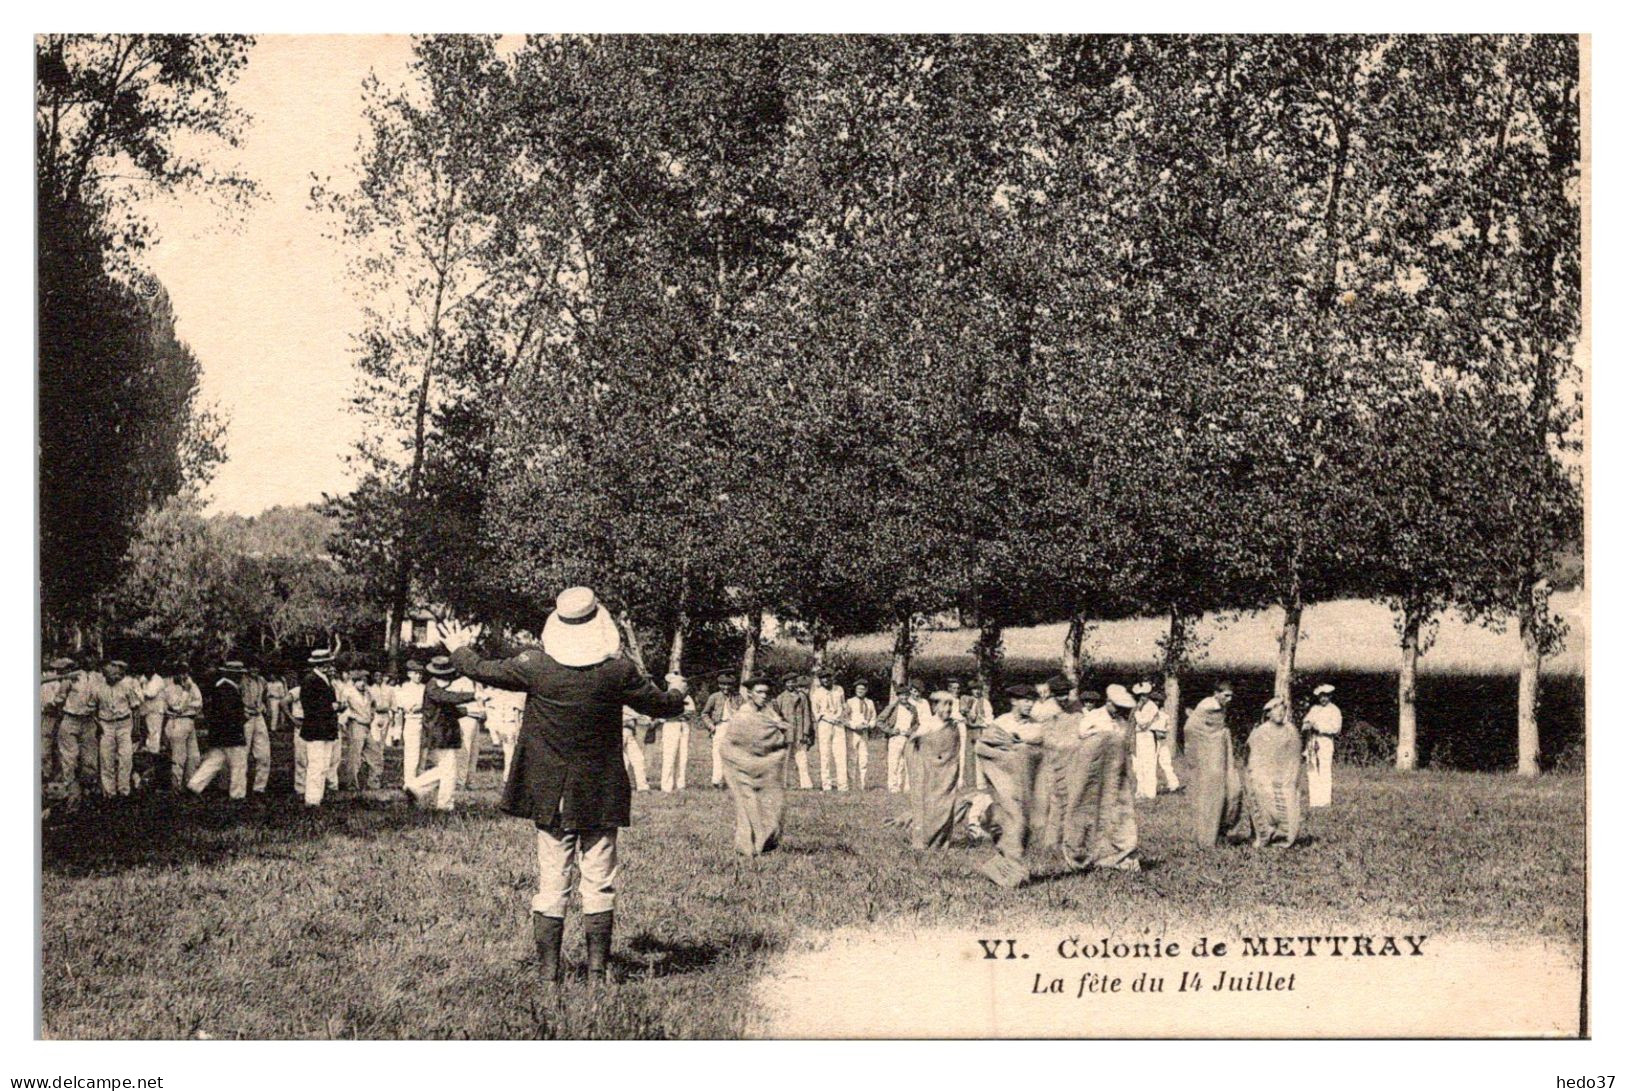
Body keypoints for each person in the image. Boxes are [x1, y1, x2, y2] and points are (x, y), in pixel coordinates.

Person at [438, 586, 687, 986]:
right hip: (601, 791)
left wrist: (459, 649)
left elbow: (484, 669)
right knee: (599, 881)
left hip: (550, 794)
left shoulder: (535, 666)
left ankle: (548, 975)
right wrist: (679, 688)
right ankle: (596, 973)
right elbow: (663, 705)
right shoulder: (617, 671)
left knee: (552, 881)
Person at [1058, 684, 1141, 873]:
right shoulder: (1093, 717)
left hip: (1115, 773)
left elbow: (1126, 747)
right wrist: (1102, 737)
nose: (1119, 711)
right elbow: (1081, 738)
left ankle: (1118, 856)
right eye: (1116, 707)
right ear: (1109, 703)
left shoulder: (1122, 722)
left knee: (1118, 812)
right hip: (1092, 773)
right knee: (1088, 811)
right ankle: (1081, 855)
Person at [974, 683, 1046, 887]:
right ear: (1014, 701)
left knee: (1022, 826)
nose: (1030, 705)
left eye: (1032, 701)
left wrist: (1022, 745)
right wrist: (1009, 750)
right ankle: (1013, 871)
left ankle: (1002, 866)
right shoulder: (1001, 724)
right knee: (1015, 821)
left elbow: (1039, 750)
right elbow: (983, 747)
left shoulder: (1036, 726)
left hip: (1025, 786)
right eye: (1026, 700)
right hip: (1003, 785)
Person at [720, 677, 790, 856]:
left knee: (773, 804)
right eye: (759, 692)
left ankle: (765, 841)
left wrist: (778, 729)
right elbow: (733, 741)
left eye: (766, 692)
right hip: (742, 769)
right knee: (747, 805)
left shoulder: (770, 713)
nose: (764, 696)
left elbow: (778, 734)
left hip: (766, 770)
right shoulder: (743, 715)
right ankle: (748, 846)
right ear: (750, 694)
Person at [404, 656, 472, 812]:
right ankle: (441, 803)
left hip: (442, 734)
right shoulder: (433, 688)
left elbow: (447, 708)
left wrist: (467, 711)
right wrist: (473, 695)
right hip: (439, 735)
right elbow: (448, 699)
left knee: (446, 769)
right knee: (448, 770)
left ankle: (418, 789)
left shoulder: (435, 687)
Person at [1187, 680, 1249, 847]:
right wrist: (1208, 740)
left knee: (1233, 790)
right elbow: (1190, 729)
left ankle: (1224, 832)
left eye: (1231, 696)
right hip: (1209, 754)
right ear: (1216, 693)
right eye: (1225, 695)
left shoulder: (1220, 707)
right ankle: (1208, 837)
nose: (1229, 699)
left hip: (1222, 750)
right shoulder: (1207, 706)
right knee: (1213, 794)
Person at [904, 690, 964, 849]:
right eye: (944, 704)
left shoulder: (953, 726)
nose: (948, 708)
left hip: (948, 774)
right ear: (935, 706)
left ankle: (941, 841)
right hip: (929, 774)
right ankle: (923, 841)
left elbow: (954, 751)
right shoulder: (928, 725)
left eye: (950, 704)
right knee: (928, 807)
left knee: (945, 806)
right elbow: (913, 745)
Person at [1247, 696, 1304, 848]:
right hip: (1265, 777)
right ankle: (1265, 835)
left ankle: (1284, 838)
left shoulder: (1290, 730)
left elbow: (1295, 755)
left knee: (1288, 805)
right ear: (1268, 713)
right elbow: (1254, 757)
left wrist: (1290, 775)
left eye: (1283, 709)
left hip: (1285, 777)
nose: (1280, 712)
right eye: (1276, 709)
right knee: (1265, 803)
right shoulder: (1260, 732)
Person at [188, 661, 249, 800]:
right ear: (232, 674)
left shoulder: (221, 687)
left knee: (214, 761)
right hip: (232, 734)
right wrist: (242, 718)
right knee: (239, 764)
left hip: (219, 734)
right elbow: (229, 714)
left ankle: (194, 785)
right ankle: (237, 794)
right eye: (239, 674)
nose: (241, 676)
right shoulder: (228, 689)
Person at [93, 659, 144, 798]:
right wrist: (98, 725)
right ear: (104, 674)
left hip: (124, 725)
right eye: (110, 673)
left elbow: (135, 708)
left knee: (126, 758)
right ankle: (109, 794)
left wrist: (136, 729)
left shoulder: (127, 686)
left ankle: (124, 791)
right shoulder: (98, 688)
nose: (114, 676)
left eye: (117, 673)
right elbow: (93, 708)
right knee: (106, 759)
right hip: (106, 725)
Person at [298, 646, 342, 807]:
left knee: (324, 764)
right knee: (316, 764)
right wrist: (333, 707)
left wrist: (334, 707)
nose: (330, 667)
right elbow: (310, 706)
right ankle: (312, 799)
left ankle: (318, 796)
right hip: (316, 728)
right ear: (319, 665)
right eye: (327, 663)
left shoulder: (324, 680)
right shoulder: (311, 680)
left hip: (325, 728)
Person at [54, 657, 101, 803]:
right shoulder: (72, 677)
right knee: (70, 758)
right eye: (87, 658)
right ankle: (70, 794)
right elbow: (59, 700)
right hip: (71, 719)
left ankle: (88, 793)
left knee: (90, 759)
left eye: (92, 659)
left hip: (88, 720)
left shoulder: (99, 678)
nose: (89, 662)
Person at [338, 669, 382, 792]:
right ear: (354, 682)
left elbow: (374, 705)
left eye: (364, 680)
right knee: (355, 757)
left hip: (367, 726)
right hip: (355, 725)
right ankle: (352, 785)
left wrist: (372, 716)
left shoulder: (368, 693)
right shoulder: (348, 692)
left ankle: (373, 783)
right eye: (359, 681)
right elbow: (341, 708)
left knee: (375, 754)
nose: (362, 683)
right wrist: (350, 717)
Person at [1131, 681, 1175, 798]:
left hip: (1148, 736)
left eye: (1145, 695)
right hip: (1139, 736)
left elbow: (1142, 724)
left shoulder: (1152, 707)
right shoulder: (1140, 707)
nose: (1142, 697)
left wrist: (1137, 713)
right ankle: (1141, 791)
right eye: (1140, 695)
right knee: (1139, 765)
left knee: (1149, 764)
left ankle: (1150, 792)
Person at [1302, 683, 1343, 807]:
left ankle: (1325, 801)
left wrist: (1319, 727)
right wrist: (1306, 725)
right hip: (1312, 741)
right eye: (1321, 696)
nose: (1323, 699)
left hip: (1325, 741)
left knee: (1325, 769)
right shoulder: (1314, 709)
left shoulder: (1334, 710)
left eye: (1325, 696)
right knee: (1312, 769)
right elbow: (1306, 721)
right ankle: (1315, 801)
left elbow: (1336, 728)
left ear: (1330, 696)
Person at [700, 673, 742, 789]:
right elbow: (704, 714)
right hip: (720, 726)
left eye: (729, 685)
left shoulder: (738, 698)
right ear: (719, 685)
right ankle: (717, 781)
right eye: (723, 685)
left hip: (734, 728)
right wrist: (711, 726)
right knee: (718, 754)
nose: (726, 688)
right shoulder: (714, 697)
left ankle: (732, 782)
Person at [775, 674, 815, 790]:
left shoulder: (802, 697)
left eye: (793, 682)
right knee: (786, 759)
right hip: (786, 733)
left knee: (802, 759)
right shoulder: (781, 697)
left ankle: (806, 784)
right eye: (788, 682)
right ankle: (786, 783)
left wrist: (806, 731)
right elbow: (777, 716)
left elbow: (807, 714)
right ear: (785, 684)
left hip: (799, 732)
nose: (791, 684)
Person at [809, 669, 847, 791]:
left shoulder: (839, 689)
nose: (826, 680)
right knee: (825, 754)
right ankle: (826, 785)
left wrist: (839, 717)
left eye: (828, 677)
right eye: (823, 678)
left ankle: (843, 785)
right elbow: (816, 711)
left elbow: (843, 705)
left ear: (832, 678)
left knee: (840, 754)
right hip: (825, 724)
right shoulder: (816, 693)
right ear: (820, 680)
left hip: (838, 723)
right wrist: (827, 718)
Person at [483, 682, 526, 785]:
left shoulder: (518, 694)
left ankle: (508, 778)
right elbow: (489, 712)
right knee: (509, 751)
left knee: (511, 752)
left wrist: (517, 727)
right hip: (500, 723)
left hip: (510, 724)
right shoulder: (491, 693)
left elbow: (518, 713)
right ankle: (508, 778)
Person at [40, 657, 74, 785]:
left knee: (63, 750)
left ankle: (63, 778)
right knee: (45, 749)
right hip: (49, 717)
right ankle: (47, 774)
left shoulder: (72, 682)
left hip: (65, 718)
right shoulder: (49, 682)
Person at [241, 662, 272, 796]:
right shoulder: (241, 681)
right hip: (245, 717)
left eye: (256, 666)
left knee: (264, 753)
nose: (254, 669)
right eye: (252, 666)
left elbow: (265, 697)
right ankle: (239, 786)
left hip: (258, 716)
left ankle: (259, 787)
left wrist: (266, 709)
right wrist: (242, 713)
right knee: (242, 753)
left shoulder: (262, 681)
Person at [395, 661, 426, 785]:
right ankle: (409, 782)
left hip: (424, 722)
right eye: (416, 673)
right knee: (412, 754)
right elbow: (408, 707)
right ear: (409, 674)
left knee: (423, 754)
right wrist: (421, 706)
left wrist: (420, 706)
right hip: (412, 721)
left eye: (420, 673)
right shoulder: (405, 688)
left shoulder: (425, 688)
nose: (418, 676)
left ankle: (420, 782)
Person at [844, 679, 877, 789]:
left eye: (862, 689)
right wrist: (854, 726)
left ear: (866, 690)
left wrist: (869, 725)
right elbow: (844, 719)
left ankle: (863, 784)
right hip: (852, 733)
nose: (860, 691)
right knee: (852, 758)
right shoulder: (849, 702)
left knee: (864, 758)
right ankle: (851, 784)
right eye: (858, 689)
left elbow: (873, 718)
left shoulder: (869, 702)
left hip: (864, 733)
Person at [960, 680, 994, 789]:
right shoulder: (967, 700)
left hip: (981, 730)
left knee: (980, 755)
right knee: (969, 755)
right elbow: (963, 714)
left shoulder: (985, 702)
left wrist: (982, 722)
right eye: (974, 689)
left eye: (979, 689)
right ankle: (969, 782)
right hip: (969, 730)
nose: (977, 692)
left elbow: (989, 718)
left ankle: (981, 782)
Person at [658, 693, 696, 792]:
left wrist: (676, 714)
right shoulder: (666, 696)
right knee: (669, 755)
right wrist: (676, 715)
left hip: (684, 726)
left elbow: (690, 712)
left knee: (683, 756)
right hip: (671, 725)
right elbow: (662, 714)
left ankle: (680, 784)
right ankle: (666, 786)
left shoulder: (687, 697)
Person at [621, 706, 652, 791]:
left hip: (629, 733)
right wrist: (636, 715)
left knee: (639, 759)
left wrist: (640, 717)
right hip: (620, 732)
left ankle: (642, 787)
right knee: (623, 761)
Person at [141, 665, 168, 756]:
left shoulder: (158, 680)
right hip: (149, 709)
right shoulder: (145, 678)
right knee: (150, 730)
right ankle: (150, 749)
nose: (146, 675)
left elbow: (150, 694)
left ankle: (154, 751)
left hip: (157, 710)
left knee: (155, 731)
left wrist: (139, 690)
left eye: (148, 673)